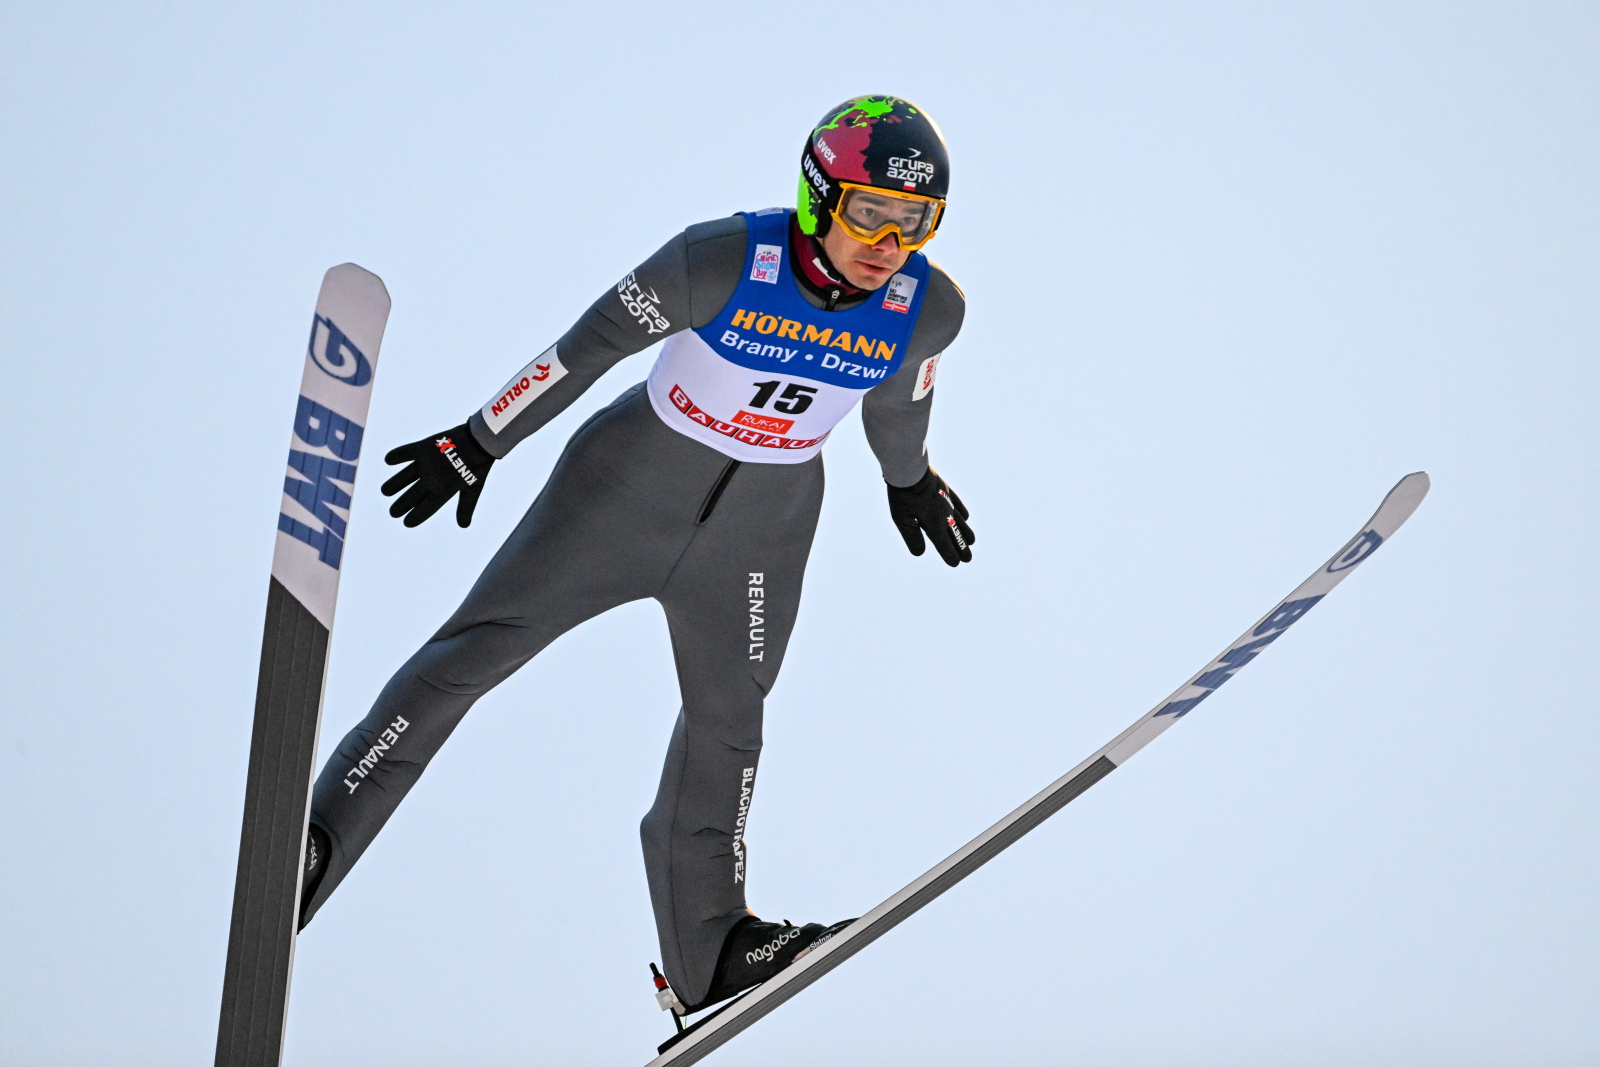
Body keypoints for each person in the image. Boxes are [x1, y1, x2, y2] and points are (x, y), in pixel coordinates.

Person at [296, 95, 976, 1015]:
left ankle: (713, 949)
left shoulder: (925, 308)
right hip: (622, 493)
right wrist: (480, 439)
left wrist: (911, 479)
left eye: (915, 225)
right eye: (870, 214)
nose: (889, 246)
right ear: (819, 197)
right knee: (468, 658)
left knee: (728, 725)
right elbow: (586, 351)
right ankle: (318, 841)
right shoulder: (723, 259)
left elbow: (898, 408)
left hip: (762, 532)